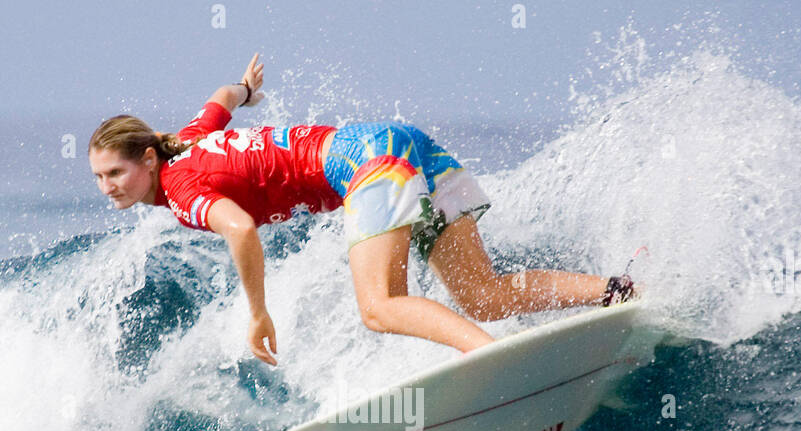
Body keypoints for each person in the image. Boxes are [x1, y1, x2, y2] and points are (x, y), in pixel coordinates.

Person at [88, 54, 637, 366]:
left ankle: (499, 363)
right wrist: (246, 91)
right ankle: (615, 291)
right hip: (400, 143)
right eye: (99, 177)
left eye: (116, 173)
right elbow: (222, 98)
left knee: (379, 307)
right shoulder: (189, 138)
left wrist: (257, 313)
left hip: (366, 163)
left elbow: (242, 229)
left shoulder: (181, 188)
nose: (109, 187)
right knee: (481, 293)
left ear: (149, 158)